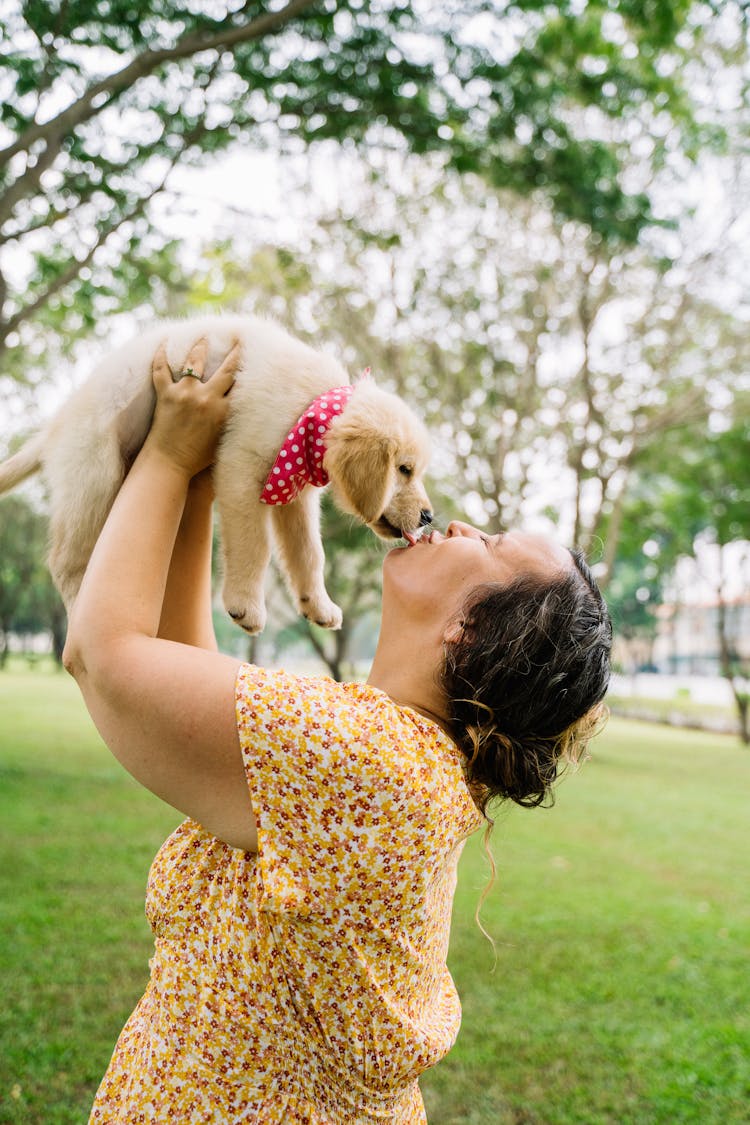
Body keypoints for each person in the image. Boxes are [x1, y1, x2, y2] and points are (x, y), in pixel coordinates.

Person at [63, 337, 612, 1125]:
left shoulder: (363, 761)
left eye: (490, 545)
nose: (456, 523)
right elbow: (178, 664)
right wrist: (199, 465)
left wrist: (160, 457)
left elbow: (105, 655)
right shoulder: (386, 750)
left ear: (470, 631)